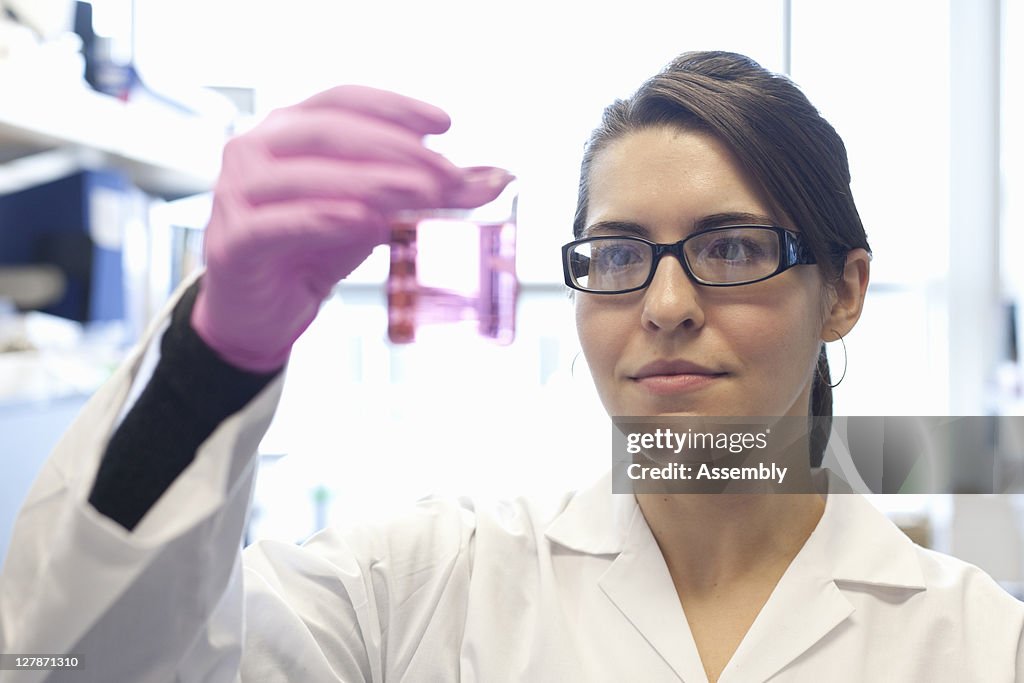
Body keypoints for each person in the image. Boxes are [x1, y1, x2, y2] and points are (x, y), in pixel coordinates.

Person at [1, 51, 1021, 683]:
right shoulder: (415, 587)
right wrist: (211, 361)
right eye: (618, 256)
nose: (664, 306)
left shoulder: (979, 645)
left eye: (730, 248)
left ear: (841, 291)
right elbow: (78, 660)